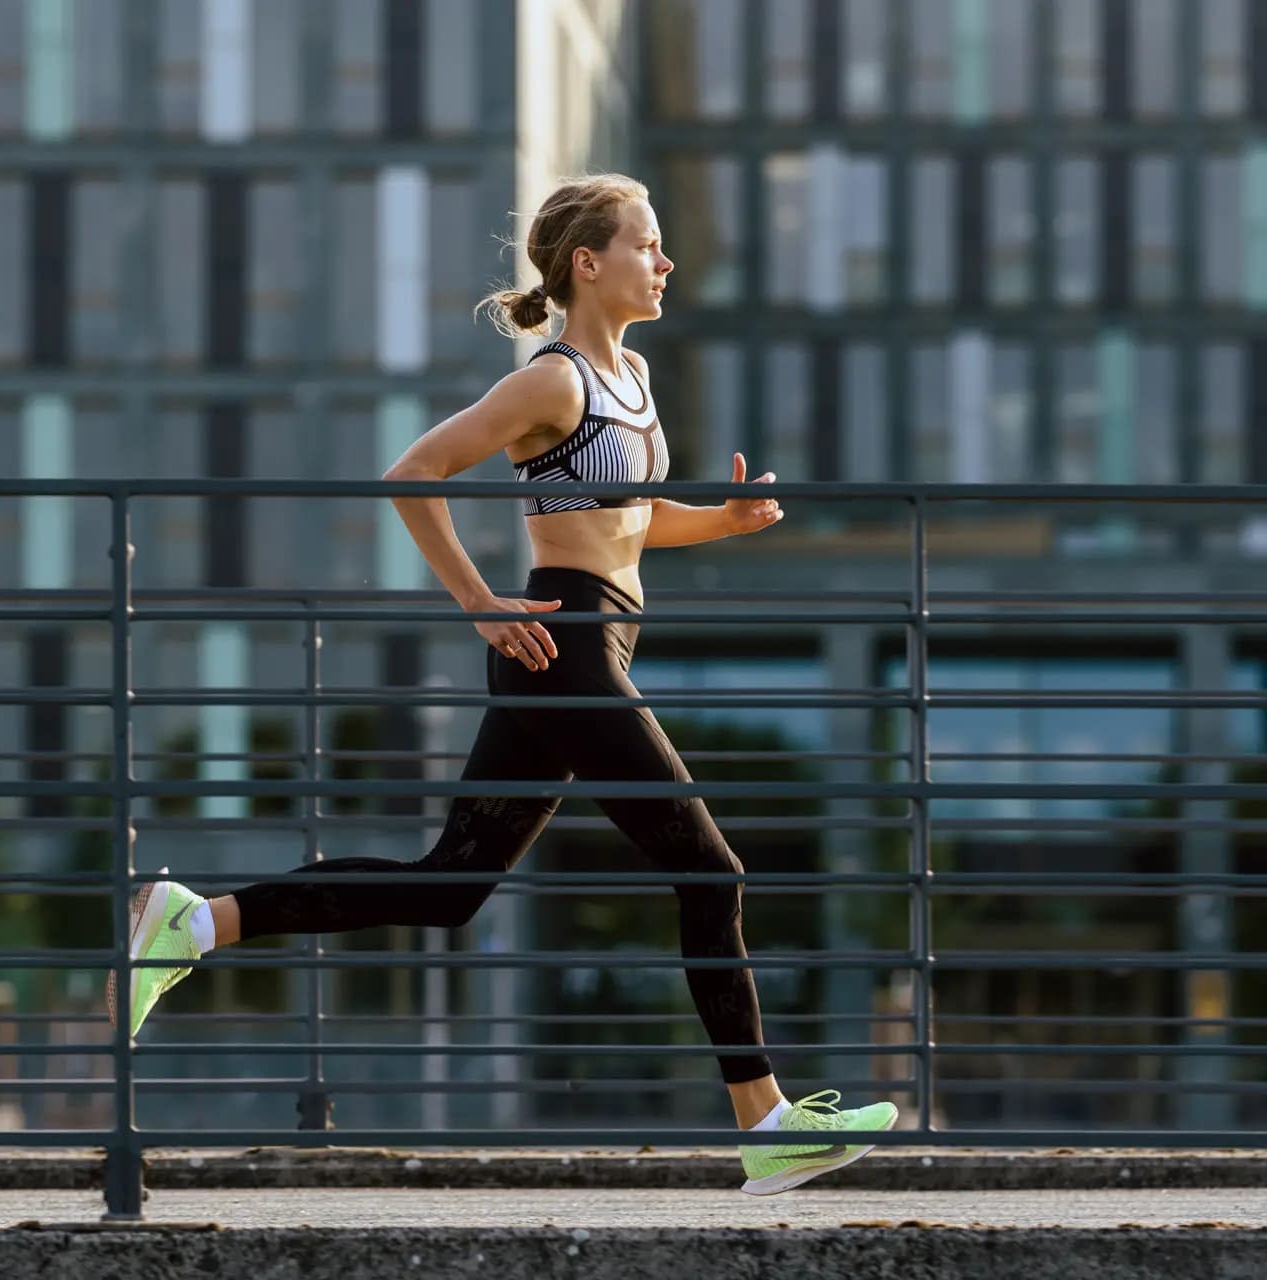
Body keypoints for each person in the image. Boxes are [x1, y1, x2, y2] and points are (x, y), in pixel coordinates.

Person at [109, 173, 896, 1195]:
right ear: (589, 262)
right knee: (711, 870)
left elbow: (630, 516)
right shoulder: (553, 380)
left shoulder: (636, 378)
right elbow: (413, 471)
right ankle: (766, 1121)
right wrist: (479, 600)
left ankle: (197, 919)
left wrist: (722, 520)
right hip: (556, 645)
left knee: (449, 885)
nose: (665, 262)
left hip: (596, 642)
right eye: (648, 245)